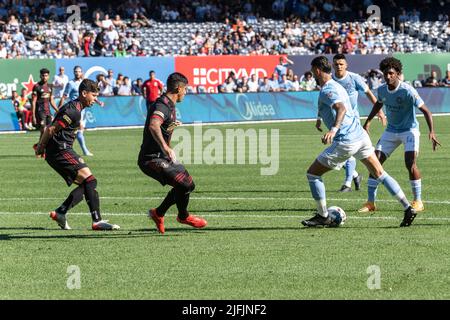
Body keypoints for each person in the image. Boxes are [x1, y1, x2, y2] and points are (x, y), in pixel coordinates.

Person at [302, 56, 416, 228]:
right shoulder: (337, 85)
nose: (312, 73)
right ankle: (408, 207)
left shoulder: (328, 89)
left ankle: (323, 215)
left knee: (313, 174)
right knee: (380, 173)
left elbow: (341, 108)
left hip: (346, 140)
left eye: (312, 70)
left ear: (317, 70)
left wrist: (333, 129)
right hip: (360, 136)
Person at [34, 79, 120, 231]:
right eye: (93, 95)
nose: (95, 99)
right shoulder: (73, 110)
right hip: (60, 150)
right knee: (90, 181)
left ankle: (61, 212)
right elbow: (50, 129)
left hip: (62, 150)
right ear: (84, 93)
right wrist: (41, 147)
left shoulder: (77, 108)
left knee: (88, 184)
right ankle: (96, 221)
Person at [359, 57, 441, 213]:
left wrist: (431, 131)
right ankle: (371, 203)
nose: (388, 76)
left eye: (391, 73)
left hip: (409, 130)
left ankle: (418, 201)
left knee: (410, 164)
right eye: (385, 74)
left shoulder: (408, 90)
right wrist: (368, 121)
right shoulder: (382, 89)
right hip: (391, 131)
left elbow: (426, 111)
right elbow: (379, 103)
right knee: (374, 162)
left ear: (397, 73)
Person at [138, 72, 207, 234]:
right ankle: (183, 216)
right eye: (185, 89)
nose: (186, 93)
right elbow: (154, 125)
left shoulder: (169, 105)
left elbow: (159, 127)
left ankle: (158, 213)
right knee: (184, 184)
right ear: (179, 88)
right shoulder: (162, 105)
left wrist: (168, 130)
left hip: (160, 156)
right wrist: (166, 147)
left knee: (188, 184)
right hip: (150, 159)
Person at [317, 53, 386, 193]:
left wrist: (380, 112)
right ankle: (355, 175)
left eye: (341, 64)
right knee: (344, 152)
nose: (339, 66)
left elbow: (368, 93)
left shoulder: (354, 78)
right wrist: (319, 118)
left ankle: (348, 183)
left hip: (352, 123)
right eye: (336, 64)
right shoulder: (330, 81)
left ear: (346, 65)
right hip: (335, 122)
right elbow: (324, 101)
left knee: (348, 150)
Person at [58, 66, 95, 156]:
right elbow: (64, 96)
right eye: (75, 71)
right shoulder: (70, 83)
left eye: (79, 71)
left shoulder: (84, 84)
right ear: (73, 72)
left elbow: (90, 95)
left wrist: (98, 101)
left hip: (83, 110)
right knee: (79, 129)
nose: (77, 73)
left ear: (81, 72)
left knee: (77, 131)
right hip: (75, 109)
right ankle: (85, 151)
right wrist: (59, 108)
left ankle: (67, 148)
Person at [31, 68, 58, 141]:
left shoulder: (51, 86)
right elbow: (33, 102)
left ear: (48, 76)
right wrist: (33, 116)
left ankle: (41, 146)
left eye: (46, 75)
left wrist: (57, 110)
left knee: (49, 131)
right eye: (43, 75)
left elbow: (51, 100)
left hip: (48, 111)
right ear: (40, 76)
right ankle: (40, 147)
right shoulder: (36, 86)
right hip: (40, 111)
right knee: (43, 127)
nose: (44, 77)